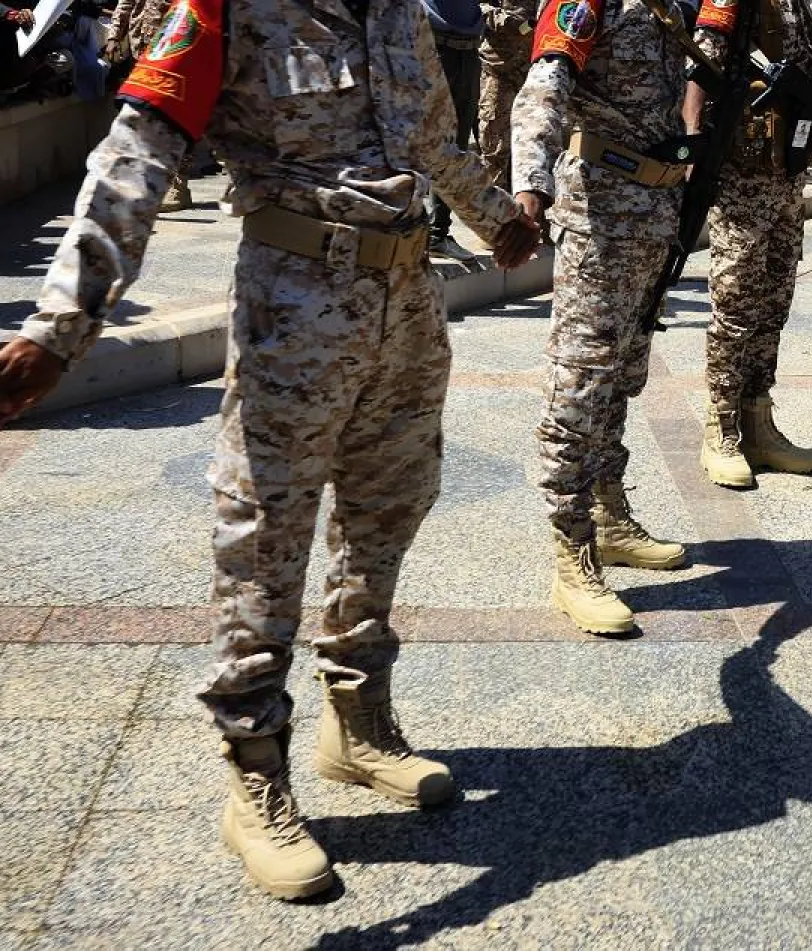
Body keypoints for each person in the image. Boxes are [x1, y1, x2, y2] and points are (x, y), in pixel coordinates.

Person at [0, 0, 540, 901]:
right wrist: (64, 324)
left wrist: (493, 216)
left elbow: (434, 139)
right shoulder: (229, 7)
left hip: (408, 301)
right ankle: (256, 769)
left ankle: (357, 722)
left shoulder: (399, 10)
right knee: (267, 536)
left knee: (390, 507)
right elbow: (138, 153)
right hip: (295, 301)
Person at [511, 0, 692, 634]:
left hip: (655, 215)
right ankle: (571, 552)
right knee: (579, 386)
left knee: (621, 378)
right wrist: (530, 182)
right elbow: (544, 87)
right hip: (600, 216)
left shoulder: (672, 8)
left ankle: (610, 517)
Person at [689, 0, 812, 487]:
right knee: (735, 306)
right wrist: (692, 144)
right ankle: (720, 428)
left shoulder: (799, 8)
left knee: (773, 304)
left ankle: (757, 422)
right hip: (742, 176)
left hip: (786, 176)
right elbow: (700, 65)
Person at [104, 0, 195, 211]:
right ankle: (146, 180)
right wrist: (114, 35)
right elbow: (125, 3)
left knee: (175, 116)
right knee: (145, 117)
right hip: (142, 48)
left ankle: (179, 185)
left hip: (174, 48)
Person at [422, 0, 486, 260]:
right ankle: (412, 232)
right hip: (433, 48)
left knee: (455, 146)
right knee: (418, 141)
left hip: (469, 53)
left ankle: (438, 234)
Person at [478, 0, 536, 188]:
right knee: (494, 141)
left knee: (530, 139)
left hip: (532, 68)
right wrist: (504, 21)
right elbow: (478, 6)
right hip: (499, 68)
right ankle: (494, 200)